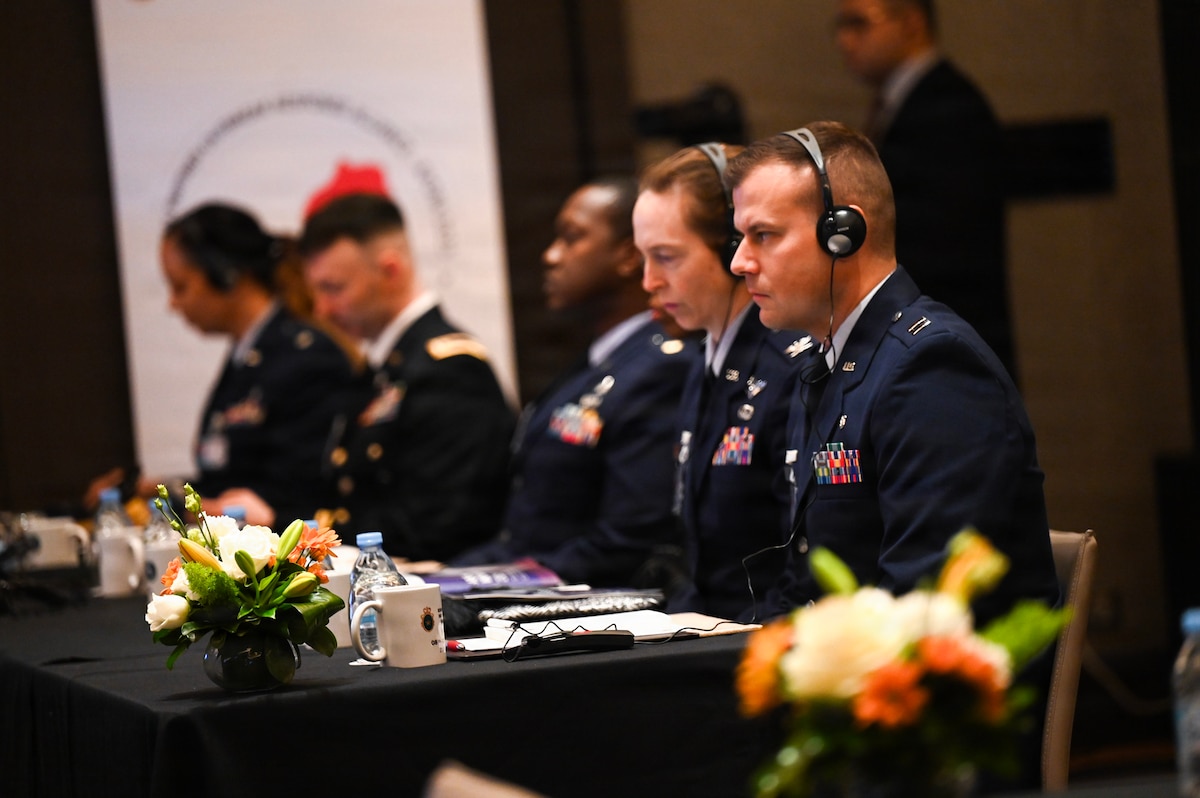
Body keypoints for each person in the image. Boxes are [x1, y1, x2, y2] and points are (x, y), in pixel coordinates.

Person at [726, 121, 1058, 625]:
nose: (738, 262)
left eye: (763, 235)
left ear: (843, 234)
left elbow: (927, 608)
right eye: (739, 237)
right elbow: (803, 587)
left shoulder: (932, 370)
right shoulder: (825, 362)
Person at [452, 177, 696, 587]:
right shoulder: (595, 362)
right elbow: (525, 535)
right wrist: (444, 578)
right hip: (532, 582)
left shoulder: (659, 368)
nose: (550, 256)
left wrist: (477, 584)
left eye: (571, 238)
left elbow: (625, 544)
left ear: (626, 255)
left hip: (594, 608)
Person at [104, 202, 362, 527]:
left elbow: (296, 496)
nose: (173, 303)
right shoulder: (248, 355)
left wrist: (191, 507)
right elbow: (230, 476)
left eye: (181, 286)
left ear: (226, 275)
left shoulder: (306, 357)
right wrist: (156, 491)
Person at [297, 192, 515, 563]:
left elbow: (436, 528)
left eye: (333, 289)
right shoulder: (385, 367)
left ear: (391, 271)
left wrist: (300, 533)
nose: (321, 310)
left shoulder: (451, 368)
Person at [634, 144, 801, 620]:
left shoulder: (786, 367)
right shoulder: (704, 359)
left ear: (734, 246)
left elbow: (797, 565)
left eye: (665, 257)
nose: (648, 281)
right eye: (643, 258)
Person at [833, 0, 1015, 379]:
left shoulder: (950, 108)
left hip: (953, 347)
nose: (844, 40)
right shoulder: (905, 104)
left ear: (912, 23)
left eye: (858, 23)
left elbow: (944, 245)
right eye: (840, 25)